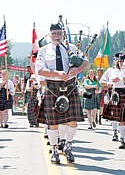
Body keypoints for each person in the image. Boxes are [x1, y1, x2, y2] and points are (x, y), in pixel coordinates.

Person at [35, 22, 89, 164]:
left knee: (72, 121)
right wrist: (57, 74)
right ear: (50, 35)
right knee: (53, 123)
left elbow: (86, 62)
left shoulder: (71, 48)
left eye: (59, 33)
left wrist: (77, 70)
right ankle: (54, 150)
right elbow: (40, 70)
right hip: (53, 87)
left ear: (63, 34)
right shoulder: (44, 50)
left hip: (70, 86)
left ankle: (68, 145)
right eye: (54, 33)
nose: (56, 36)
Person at [100, 53, 122, 141]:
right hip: (113, 93)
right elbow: (102, 81)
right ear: (114, 60)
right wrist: (107, 83)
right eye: (117, 59)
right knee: (114, 115)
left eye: (120, 60)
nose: (118, 62)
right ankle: (115, 132)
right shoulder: (110, 70)